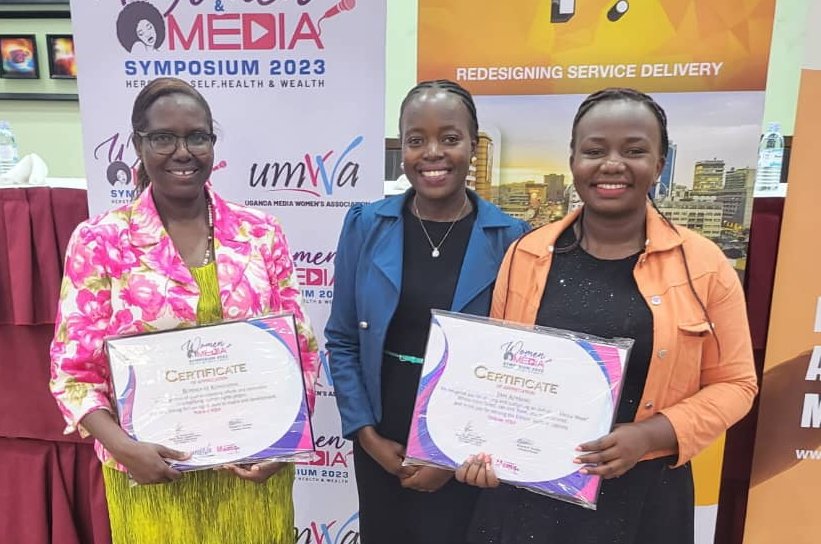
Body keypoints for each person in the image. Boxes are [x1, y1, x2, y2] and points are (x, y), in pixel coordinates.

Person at [456, 88, 757, 544]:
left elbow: (737, 384)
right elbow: (498, 375)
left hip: (644, 499)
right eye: (594, 150)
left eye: (634, 151)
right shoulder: (526, 254)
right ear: (574, 160)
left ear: (658, 164)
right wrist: (484, 446)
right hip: (530, 495)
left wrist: (651, 435)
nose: (612, 164)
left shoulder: (705, 266)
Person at [49, 77, 319, 544]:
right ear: (138, 144)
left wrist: (286, 443)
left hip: (249, 478)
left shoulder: (261, 233)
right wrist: (125, 449)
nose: (183, 151)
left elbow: (302, 350)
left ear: (212, 143)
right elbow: (73, 373)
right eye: (163, 138)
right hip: (152, 478)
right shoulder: (99, 242)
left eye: (197, 136)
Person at [324, 80, 529, 544]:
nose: (432, 153)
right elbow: (342, 339)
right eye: (416, 140)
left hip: (468, 451)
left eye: (450, 139)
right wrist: (367, 436)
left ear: (472, 147)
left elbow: (513, 363)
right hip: (382, 437)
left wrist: (452, 457)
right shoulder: (365, 225)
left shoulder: (513, 239)